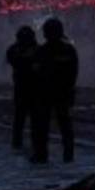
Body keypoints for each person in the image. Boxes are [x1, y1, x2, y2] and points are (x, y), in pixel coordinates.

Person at [31, 18, 79, 164]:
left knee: (42, 126)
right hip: (62, 93)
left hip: (46, 94)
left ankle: (41, 155)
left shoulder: (41, 51)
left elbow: (35, 73)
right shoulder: (68, 50)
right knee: (65, 126)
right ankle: (68, 155)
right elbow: (73, 72)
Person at [5, 26, 39, 150]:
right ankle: (20, 142)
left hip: (30, 87)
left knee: (24, 117)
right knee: (23, 117)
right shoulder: (17, 50)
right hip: (25, 86)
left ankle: (21, 142)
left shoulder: (36, 50)